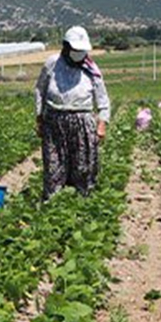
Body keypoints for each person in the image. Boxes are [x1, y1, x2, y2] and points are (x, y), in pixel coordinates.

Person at [35, 26, 110, 198]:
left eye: (82, 50)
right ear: (66, 46)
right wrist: (39, 118)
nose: (79, 53)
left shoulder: (91, 68)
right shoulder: (52, 64)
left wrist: (102, 123)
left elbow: (103, 99)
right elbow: (40, 90)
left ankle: (82, 204)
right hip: (54, 121)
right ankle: (53, 205)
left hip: (82, 121)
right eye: (76, 49)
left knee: (83, 167)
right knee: (54, 167)